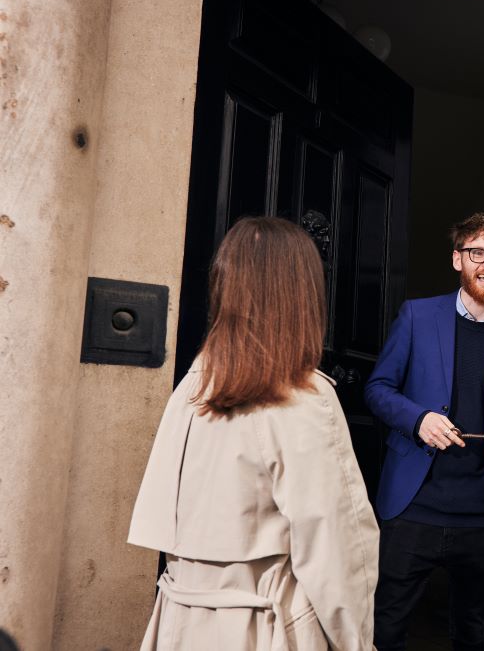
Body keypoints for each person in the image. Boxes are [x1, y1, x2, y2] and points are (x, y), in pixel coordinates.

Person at [128, 217, 379, 650]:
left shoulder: (192, 387)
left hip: (180, 624)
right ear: (303, 295)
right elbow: (337, 549)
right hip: (263, 627)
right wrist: (356, 642)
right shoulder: (302, 397)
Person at [364, 212, 484, 651]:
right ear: (457, 259)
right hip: (413, 506)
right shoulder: (417, 316)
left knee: (471, 633)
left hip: (479, 513)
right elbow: (377, 389)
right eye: (477, 252)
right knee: (386, 628)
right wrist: (418, 420)